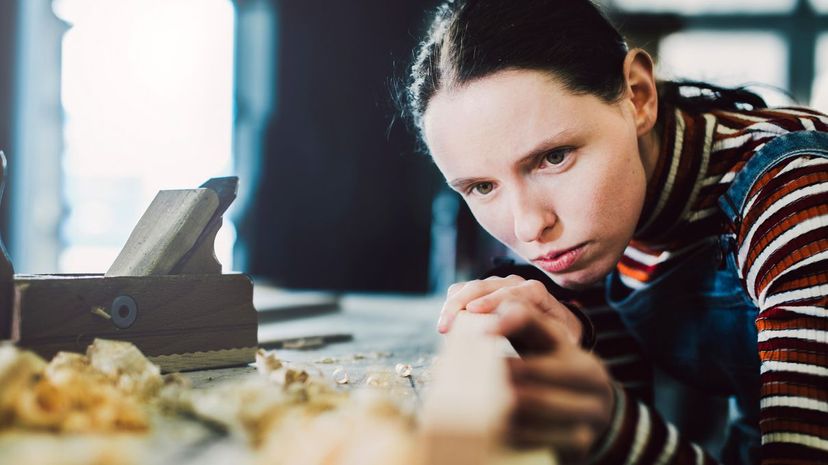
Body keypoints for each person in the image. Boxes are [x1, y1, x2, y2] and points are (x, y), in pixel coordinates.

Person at [401, 1, 828, 464]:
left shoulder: (797, 200)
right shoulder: (600, 228)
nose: (529, 226)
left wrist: (604, 424)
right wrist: (577, 350)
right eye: (483, 187)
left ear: (638, 95)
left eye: (554, 158)